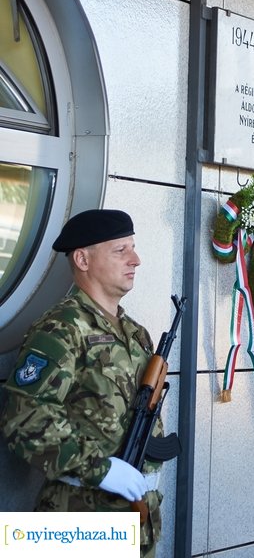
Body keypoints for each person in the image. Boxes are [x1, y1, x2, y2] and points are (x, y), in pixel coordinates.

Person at [0, 209, 164, 557]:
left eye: (132, 248)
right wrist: (100, 470)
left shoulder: (136, 334)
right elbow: (24, 420)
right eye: (121, 250)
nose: (135, 259)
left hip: (137, 522)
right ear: (83, 259)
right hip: (79, 521)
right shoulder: (62, 329)